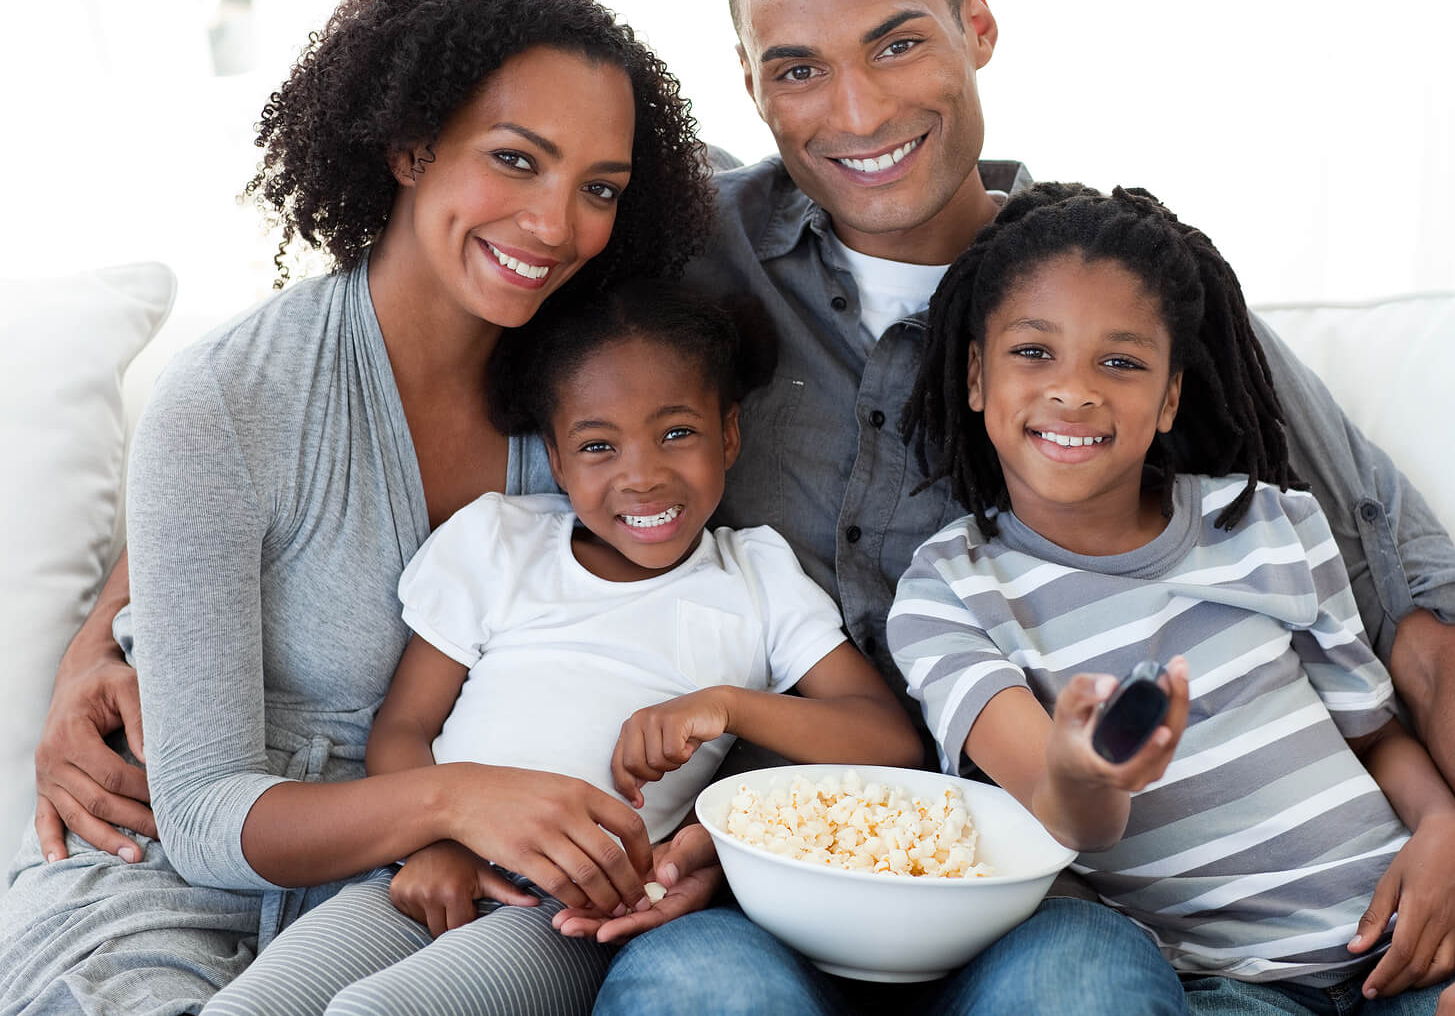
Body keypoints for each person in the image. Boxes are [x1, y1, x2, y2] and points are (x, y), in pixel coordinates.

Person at [592, 0, 1455, 1016]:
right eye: (797, 69)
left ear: (978, 26)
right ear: (752, 84)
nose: (854, 113)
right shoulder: (677, 249)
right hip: (765, 877)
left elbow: (1421, 622)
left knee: (1078, 987)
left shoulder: (1111, 293)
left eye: (898, 43)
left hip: (1040, 900)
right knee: (691, 996)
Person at [0, 0, 716, 1014]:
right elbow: (196, 817)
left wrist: (710, 833)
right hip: (170, 881)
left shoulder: (608, 402)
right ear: (410, 144)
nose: (558, 225)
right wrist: (458, 797)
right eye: (516, 160)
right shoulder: (230, 399)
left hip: (449, 897)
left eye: (599, 187)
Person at [203, 280, 922, 1015]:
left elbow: (888, 741)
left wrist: (729, 706)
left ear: (729, 434)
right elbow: (405, 725)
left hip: (565, 912)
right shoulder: (500, 541)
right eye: (598, 446)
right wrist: (432, 841)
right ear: (555, 455)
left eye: (676, 432)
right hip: (424, 864)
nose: (641, 474)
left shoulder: (758, 577)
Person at [890, 182, 1455, 1013]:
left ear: (1169, 397)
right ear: (976, 376)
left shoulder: (1270, 524)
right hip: (1227, 987)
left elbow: (1377, 736)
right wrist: (1091, 769)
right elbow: (1068, 815)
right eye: (1034, 352)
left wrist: (1445, 830)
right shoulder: (946, 592)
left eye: (1121, 362)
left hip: (1412, 945)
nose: (1075, 390)